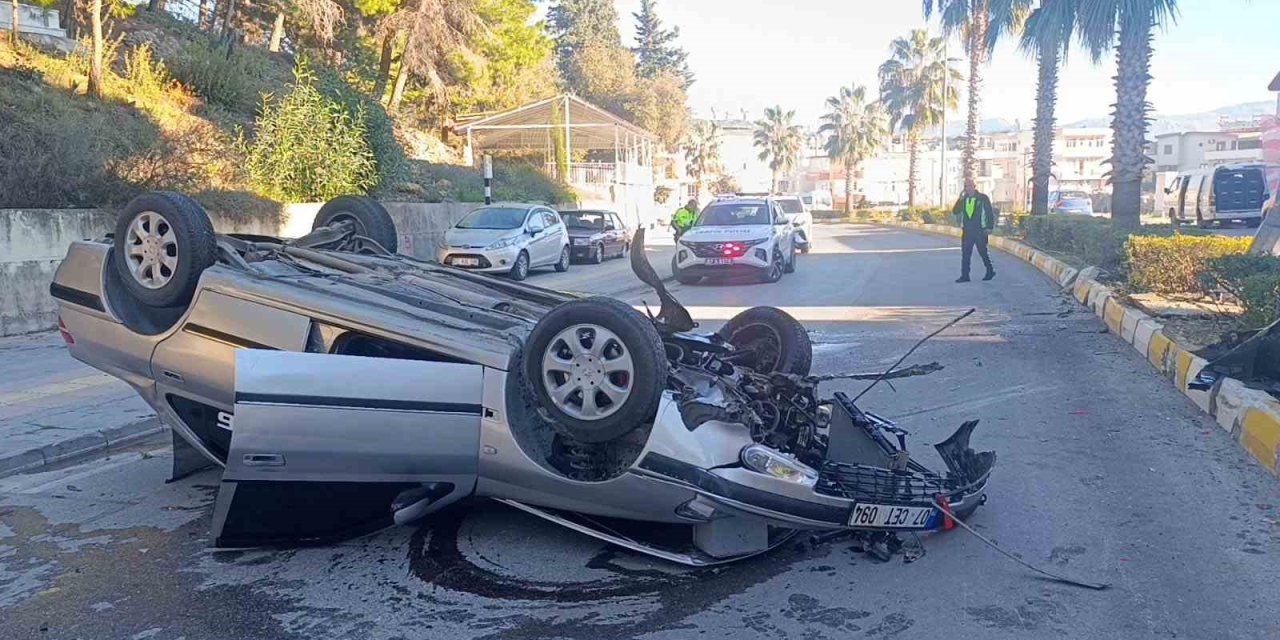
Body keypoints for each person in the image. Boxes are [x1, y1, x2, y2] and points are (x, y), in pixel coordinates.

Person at [952, 179, 996, 283]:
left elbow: (989, 213)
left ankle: (990, 270)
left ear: (974, 186)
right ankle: (965, 276)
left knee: (982, 251)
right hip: (967, 231)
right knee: (966, 253)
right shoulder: (964, 199)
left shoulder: (982, 198)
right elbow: (955, 211)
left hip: (980, 230)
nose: (968, 188)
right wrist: (960, 199)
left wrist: (990, 227)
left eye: (970, 186)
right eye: (966, 186)